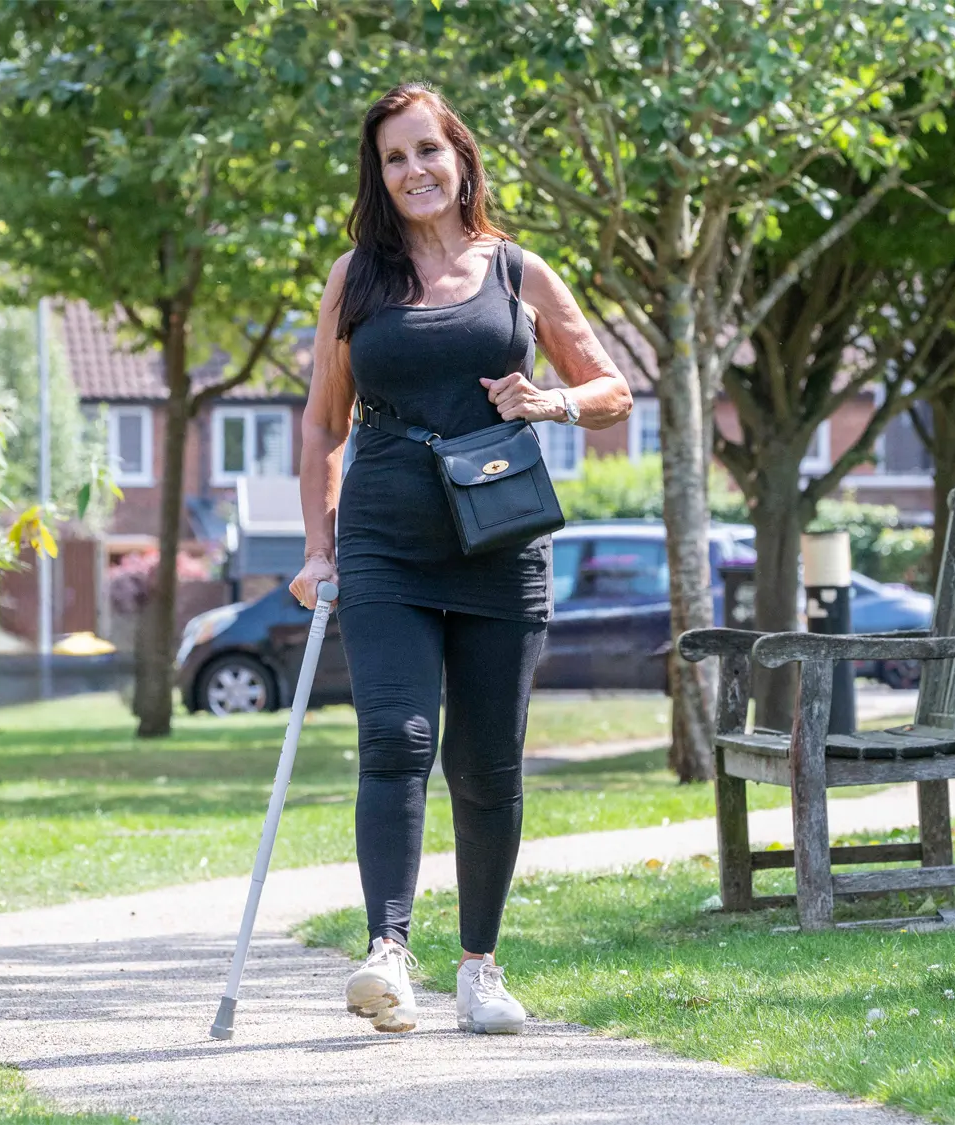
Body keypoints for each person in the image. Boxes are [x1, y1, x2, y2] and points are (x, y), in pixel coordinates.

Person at [290, 83, 632, 1035]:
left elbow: (612, 389)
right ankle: (388, 953)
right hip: (386, 540)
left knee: (488, 763)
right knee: (396, 738)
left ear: (461, 157)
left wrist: (550, 402)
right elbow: (323, 419)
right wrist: (318, 549)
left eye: (427, 152)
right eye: (395, 159)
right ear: (380, 174)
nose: (414, 172)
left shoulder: (518, 272)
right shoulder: (356, 278)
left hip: (500, 539)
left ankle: (479, 964)